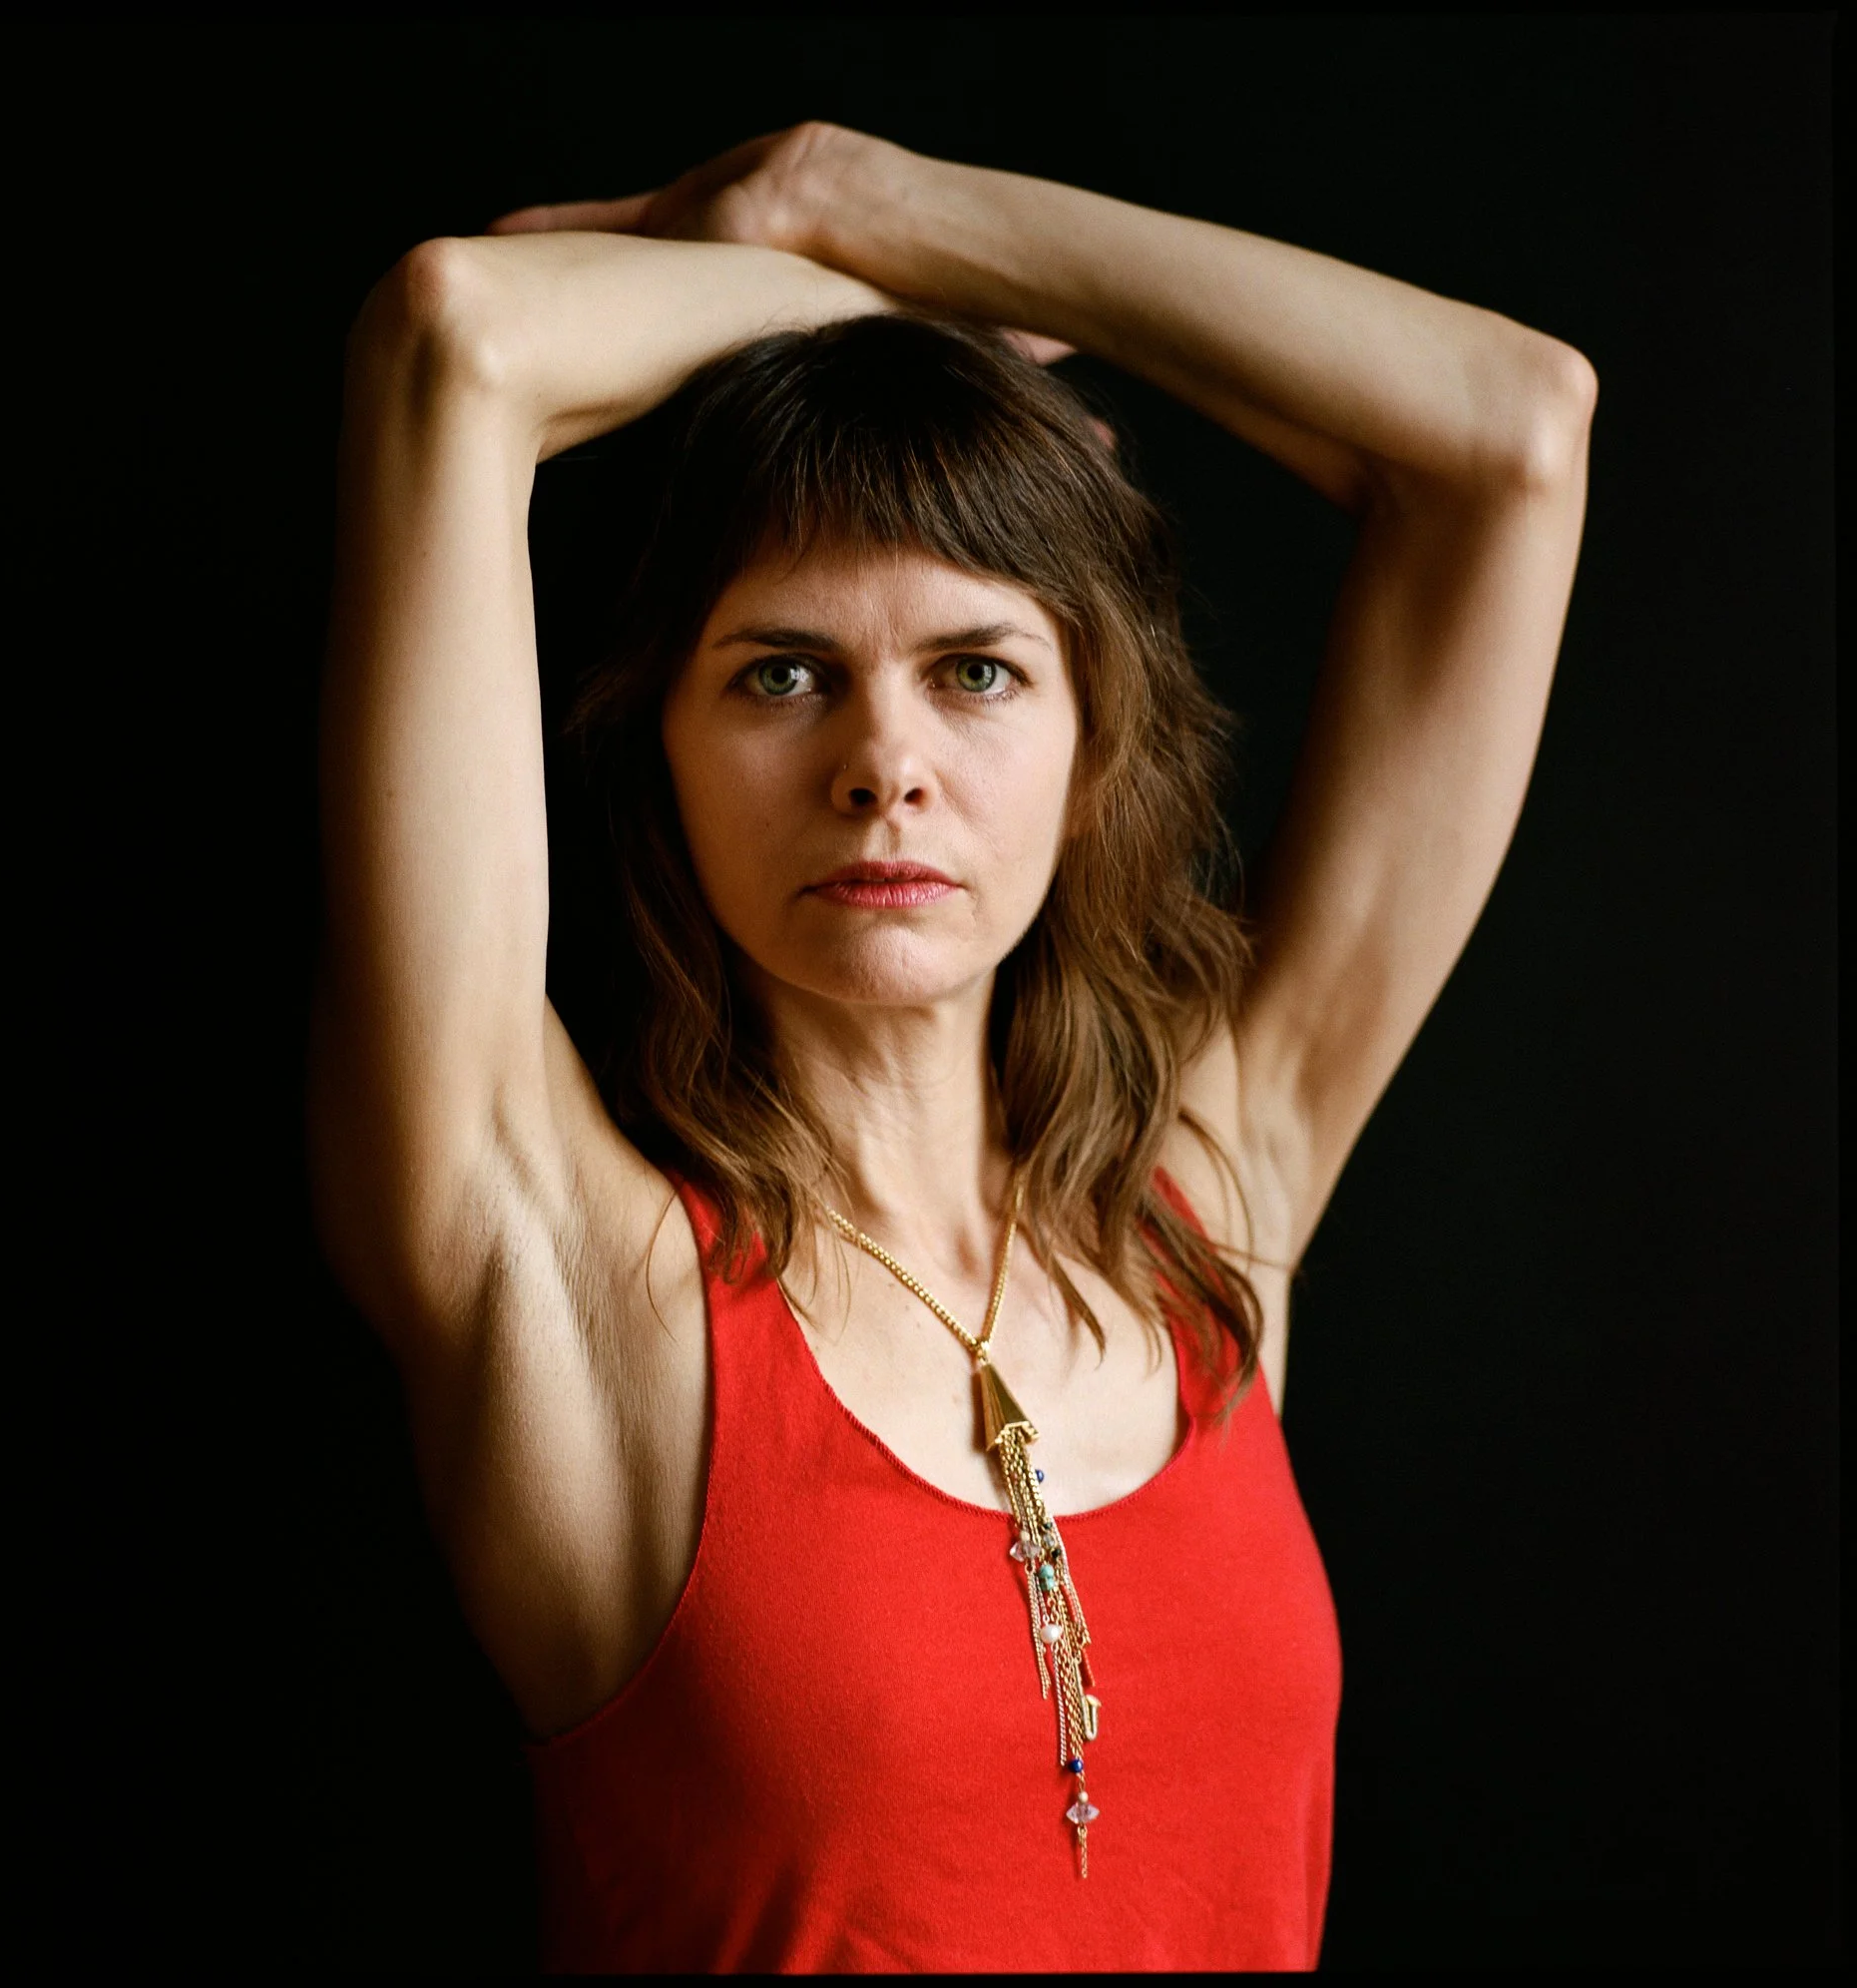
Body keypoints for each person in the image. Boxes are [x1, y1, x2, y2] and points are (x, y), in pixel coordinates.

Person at [310, 122, 1594, 1972]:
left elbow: (1513, 431)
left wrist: (856, 202)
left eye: (977, 668)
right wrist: (869, 298)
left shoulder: (1208, 1209)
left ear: (1090, 750)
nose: (881, 764)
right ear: (656, 754)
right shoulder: (568, 1284)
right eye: (779, 673)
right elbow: (456, 343)